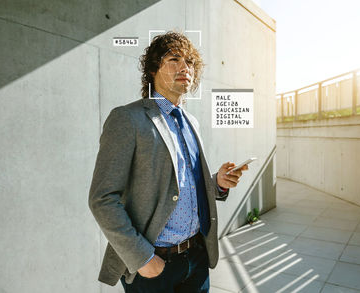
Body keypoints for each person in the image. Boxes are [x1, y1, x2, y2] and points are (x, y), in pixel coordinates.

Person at [88, 31, 248, 293]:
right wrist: (143, 259)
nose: (185, 67)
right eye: (174, 59)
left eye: (190, 62)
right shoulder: (127, 119)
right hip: (153, 265)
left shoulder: (191, 123)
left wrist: (216, 183)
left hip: (196, 258)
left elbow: (181, 185)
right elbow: (102, 199)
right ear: (153, 70)